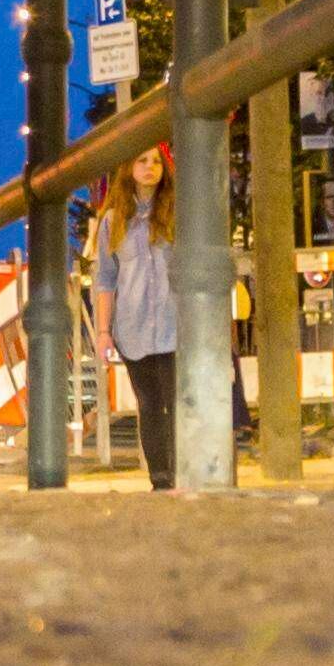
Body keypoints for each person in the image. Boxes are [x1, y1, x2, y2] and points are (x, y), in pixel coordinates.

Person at [94, 144, 182, 487]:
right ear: (128, 167)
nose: (150, 167)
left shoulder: (176, 213)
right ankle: (160, 479)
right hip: (133, 329)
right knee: (149, 406)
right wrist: (103, 332)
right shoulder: (113, 221)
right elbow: (105, 278)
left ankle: (180, 474)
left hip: (174, 325)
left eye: (156, 161)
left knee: (176, 404)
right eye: (142, 160)